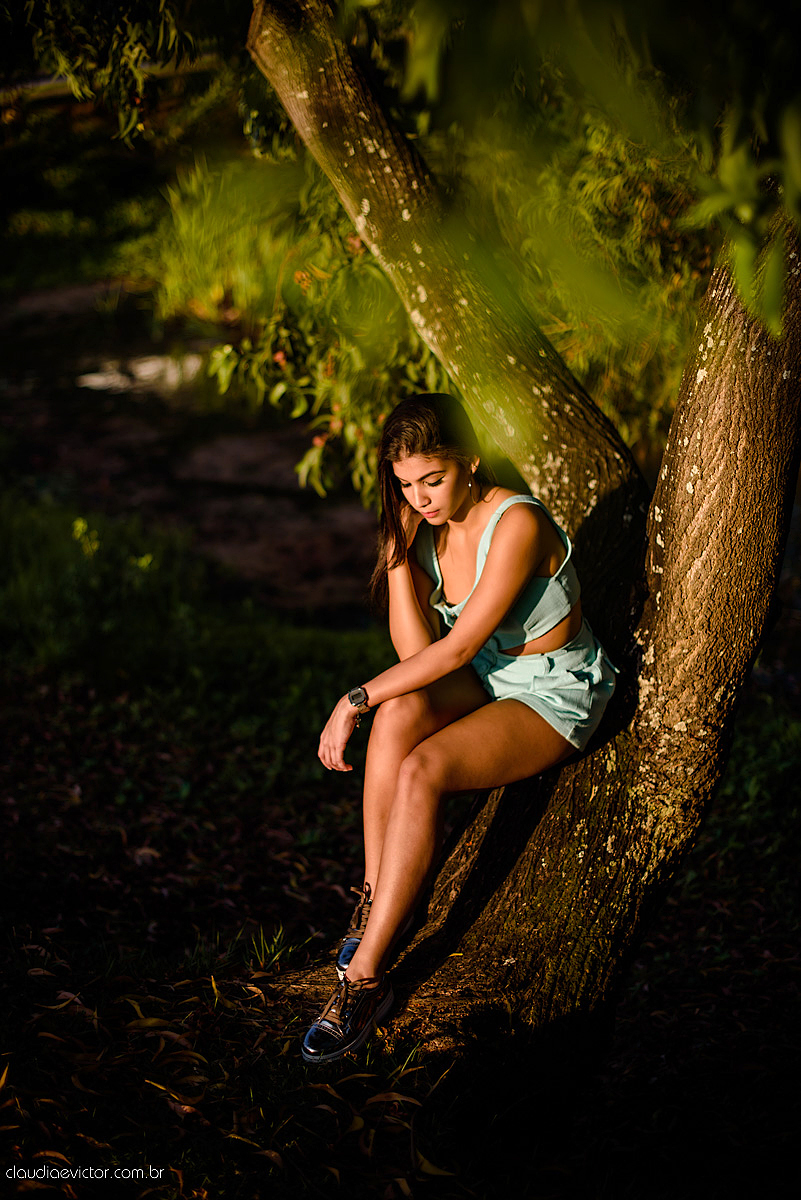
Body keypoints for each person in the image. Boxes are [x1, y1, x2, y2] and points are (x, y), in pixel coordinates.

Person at [301, 393, 616, 1064]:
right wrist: (395, 558)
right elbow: (416, 661)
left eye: (432, 479)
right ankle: (374, 897)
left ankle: (364, 981)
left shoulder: (516, 522)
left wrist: (350, 699)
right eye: (405, 484)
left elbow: (450, 653)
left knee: (422, 768)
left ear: (469, 462)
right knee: (399, 714)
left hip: (554, 688)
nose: (420, 497)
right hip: (491, 673)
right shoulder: (426, 531)